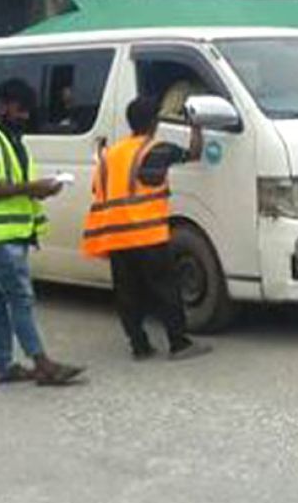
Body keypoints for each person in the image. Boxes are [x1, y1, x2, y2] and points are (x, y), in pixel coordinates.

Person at [0, 78, 85, 387]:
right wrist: (33, 187)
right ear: (1, 105)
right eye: (19, 110)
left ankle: (2, 366)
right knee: (21, 297)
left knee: (0, 302)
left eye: (27, 111)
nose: (24, 116)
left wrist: (42, 190)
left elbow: (17, 188)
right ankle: (42, 363)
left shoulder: (15, 141)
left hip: (14, 235)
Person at [82, 96, 212, 361]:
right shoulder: (155, 150)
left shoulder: (110, 154)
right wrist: (196, 127)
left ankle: (139, 346)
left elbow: (97, 189)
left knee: (127, 293)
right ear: (155, 122)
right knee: (166, 288)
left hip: (115, 237)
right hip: (146, 233)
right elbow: (193, 154)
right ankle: (179, 343)